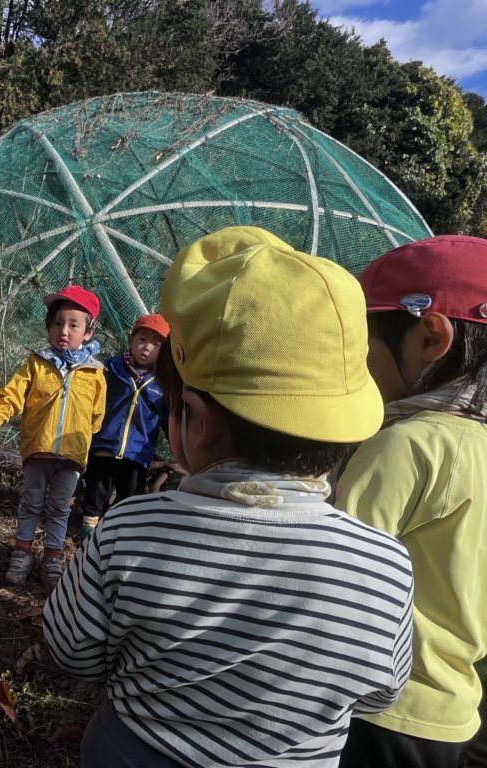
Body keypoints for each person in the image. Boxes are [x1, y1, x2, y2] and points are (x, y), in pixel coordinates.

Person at [43, 227, 415, 768]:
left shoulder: (129, 530)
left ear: (194, 419)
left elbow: (71, 650)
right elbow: (382, 693)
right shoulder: (384, 564)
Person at [334, 235, 487, 768]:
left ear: (429, 336)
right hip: (456, 714)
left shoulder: (406, 445)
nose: (358, 363)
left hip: (377, 711)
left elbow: (335, 578)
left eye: (365, 343)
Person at [0, 285, 107, 588]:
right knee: (31, 502)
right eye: (57, 323)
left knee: (60, 507)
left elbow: (97, 416)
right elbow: (13, 393)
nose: (64, 330)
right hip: (39, 448)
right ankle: (21, 553)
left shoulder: (95, 373)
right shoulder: (37, 362)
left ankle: (52, 557)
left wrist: (81, 441)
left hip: (72, 456)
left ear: (88, 332)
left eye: (73, 325)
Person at [77, 313, 170, 541]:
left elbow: (168, 419)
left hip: (137, 454)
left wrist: (177, 442)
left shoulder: (163, 384)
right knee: (96, 492)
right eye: (142, 340)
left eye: (157, 344)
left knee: (129, 498)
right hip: (105, 445)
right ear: (131, 340)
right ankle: (88, 533)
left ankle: (115, 536)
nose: (147, 348)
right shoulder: (112, 369)